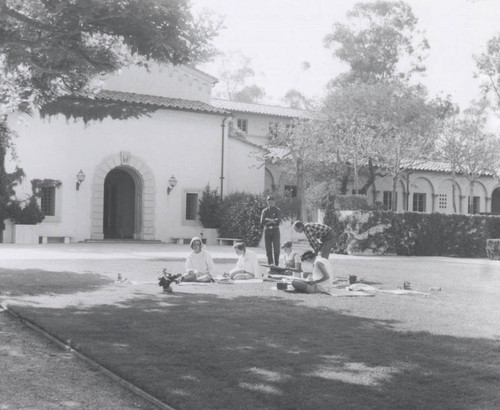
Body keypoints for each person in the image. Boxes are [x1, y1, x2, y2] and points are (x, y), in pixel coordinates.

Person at [260, 195, 282, 266]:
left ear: (274, 202)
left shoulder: (277, 210)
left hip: (275, 230)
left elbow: (278, 221)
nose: (270, 202)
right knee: (268, 249)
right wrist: (273, 220)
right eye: (269, 201)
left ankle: (276, 264)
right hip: (267, 231)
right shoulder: (264, 211)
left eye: (272, 201)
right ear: (267, 202)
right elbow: (262, 222)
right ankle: (271, 265)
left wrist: (268, 220)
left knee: (276, 249)